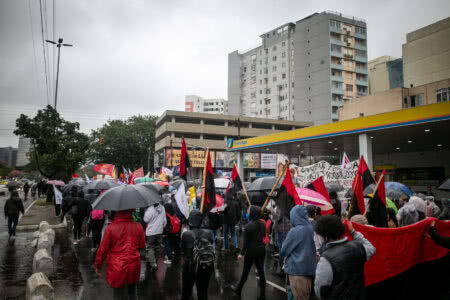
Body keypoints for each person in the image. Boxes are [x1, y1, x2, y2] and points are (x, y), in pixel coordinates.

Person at [314, 216, 376, 300]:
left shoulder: (326, 259)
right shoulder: (357, 247)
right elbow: (371, 249)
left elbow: (319, 289)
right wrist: (353, 232)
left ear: (325, 236)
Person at [95, 210, 145, 300]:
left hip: (116, 266)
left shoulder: (110, 228)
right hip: (133, 264)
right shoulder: (139, 226)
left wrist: (98, 265)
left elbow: (103, 249)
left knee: (118, 294)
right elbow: (142, 245)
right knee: (133, 291)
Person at [281, 206, 317, 300]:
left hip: (296, 270)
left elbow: (284, 250)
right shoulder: (310, 227)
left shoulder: (295, 231)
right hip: (309, 269)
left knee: (295, 296)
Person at [231, 206, 266, 300]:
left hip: (252, 250)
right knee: (261, 272)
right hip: (261, 249)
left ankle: (238, 290)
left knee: (245, 272)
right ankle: (263, 295)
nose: (248, 212)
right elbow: (263, 235)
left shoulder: (248, 226)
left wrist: (241, 254)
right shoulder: (263, 223)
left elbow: (246, 243)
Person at [181, 209, 215, 300]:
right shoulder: (209, 233)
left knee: (186, 292)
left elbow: (183, 251)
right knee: (203, 293)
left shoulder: (186, 234)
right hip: (205, 266)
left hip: (189, 268)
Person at [143, 202, 166, 272]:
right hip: (159, 231)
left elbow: (145, 220)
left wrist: (145, 211)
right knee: (157, 248)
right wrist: (161, 227)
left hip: (151, 232)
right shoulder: (162, 208)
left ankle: (153, 264)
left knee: (150, 248)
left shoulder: (150, 209)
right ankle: (154, 261)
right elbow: (165, 221)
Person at [273, 205, 291, 274]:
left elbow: (277, 218)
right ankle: (284, 267)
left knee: (282, 250)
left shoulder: (280, 207)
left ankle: (281, 269)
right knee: (285, 249)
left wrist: (272, 212)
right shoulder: (289, 206)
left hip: (281, 231)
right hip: (287, 230)